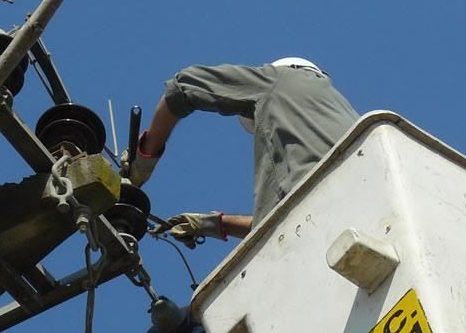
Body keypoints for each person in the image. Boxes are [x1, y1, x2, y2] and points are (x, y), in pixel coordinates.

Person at [121, 58, 359, 247]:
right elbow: (280, 224)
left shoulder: (281, 81)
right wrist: (211, 224)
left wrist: (144, 159)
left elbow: (184, 88)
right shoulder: (350, 123)